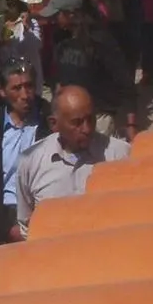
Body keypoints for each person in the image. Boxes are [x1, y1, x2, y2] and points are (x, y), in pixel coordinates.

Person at [15, 86, 131, 240]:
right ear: (53, 124)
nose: (87, 129)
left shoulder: (120, 155)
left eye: (90, 119)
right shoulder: (30, 162)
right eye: (77, 123)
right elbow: (27, 225)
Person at [0, 60, 50, 245]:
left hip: (42, 213)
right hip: (1, 215)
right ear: (2, 91)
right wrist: (3, 226)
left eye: (29, 86)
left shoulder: (49, 121)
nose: (25, 95)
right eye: (17, 88)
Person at [39, 0, 136, 139]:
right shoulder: (60, 38)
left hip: (98, 119)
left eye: (57, 14)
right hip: (69, 118)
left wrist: (131, 125)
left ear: (71, 13)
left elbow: (125, 83)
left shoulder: (99, 40)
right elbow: (59, 80)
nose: (53, 19)